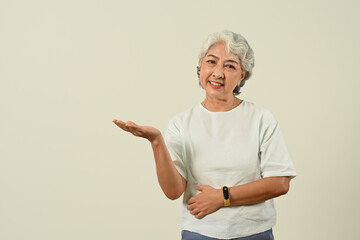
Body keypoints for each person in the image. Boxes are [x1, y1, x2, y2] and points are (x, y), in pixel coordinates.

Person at [113, 30, 296, 240]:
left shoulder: (261, 118)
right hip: (199, 233)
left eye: (230, 66)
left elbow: (280, 183)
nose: (218, 73)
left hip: (253, 233)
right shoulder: (181, 123)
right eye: (212, 62)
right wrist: (156, 141)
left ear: (242, 75)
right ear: (200, 64)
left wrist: (222, 196)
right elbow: (173, 191)